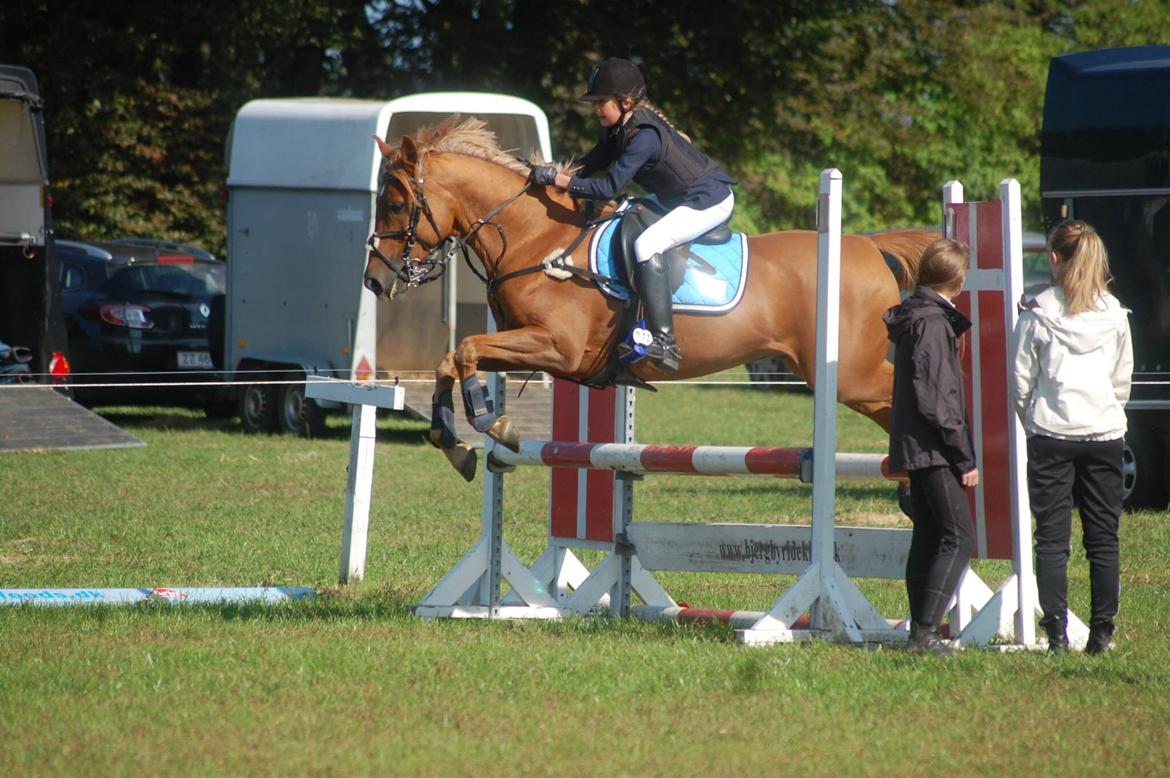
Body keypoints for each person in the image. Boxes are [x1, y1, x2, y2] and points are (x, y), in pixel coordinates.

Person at [528, 57, 736, 371]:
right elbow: (589, 164)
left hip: (708, 200)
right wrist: (550, 173)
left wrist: (558, 180)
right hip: (676, 197)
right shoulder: (619, 130)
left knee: (647, 244)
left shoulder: (644, 137)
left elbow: (608, 186)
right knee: (626, 216)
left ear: (625, 102)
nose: (596, 109)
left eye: (601, 102)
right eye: (595, 102)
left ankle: (665, 342)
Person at [1012, 220, 1133, 655]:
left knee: (1052, 539)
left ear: (1054, 259)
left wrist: (1032, 419)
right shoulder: (1115, 313)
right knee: (1103, 539)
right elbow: (1122, 379)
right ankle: (1102, 632)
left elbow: (1020, 380)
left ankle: (1057, 634)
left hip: (1052, 431)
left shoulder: (1038, 311)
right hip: (1103, 432)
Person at [884, 239, 979, 655]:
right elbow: (938, 398)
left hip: (915, 445)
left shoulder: (916, 315)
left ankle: (918, 633)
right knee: (958, 537)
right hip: (934, 449)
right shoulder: (934, 322)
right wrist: (963, 455)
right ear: (958, 279)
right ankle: (923, 634)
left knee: (927, 536)